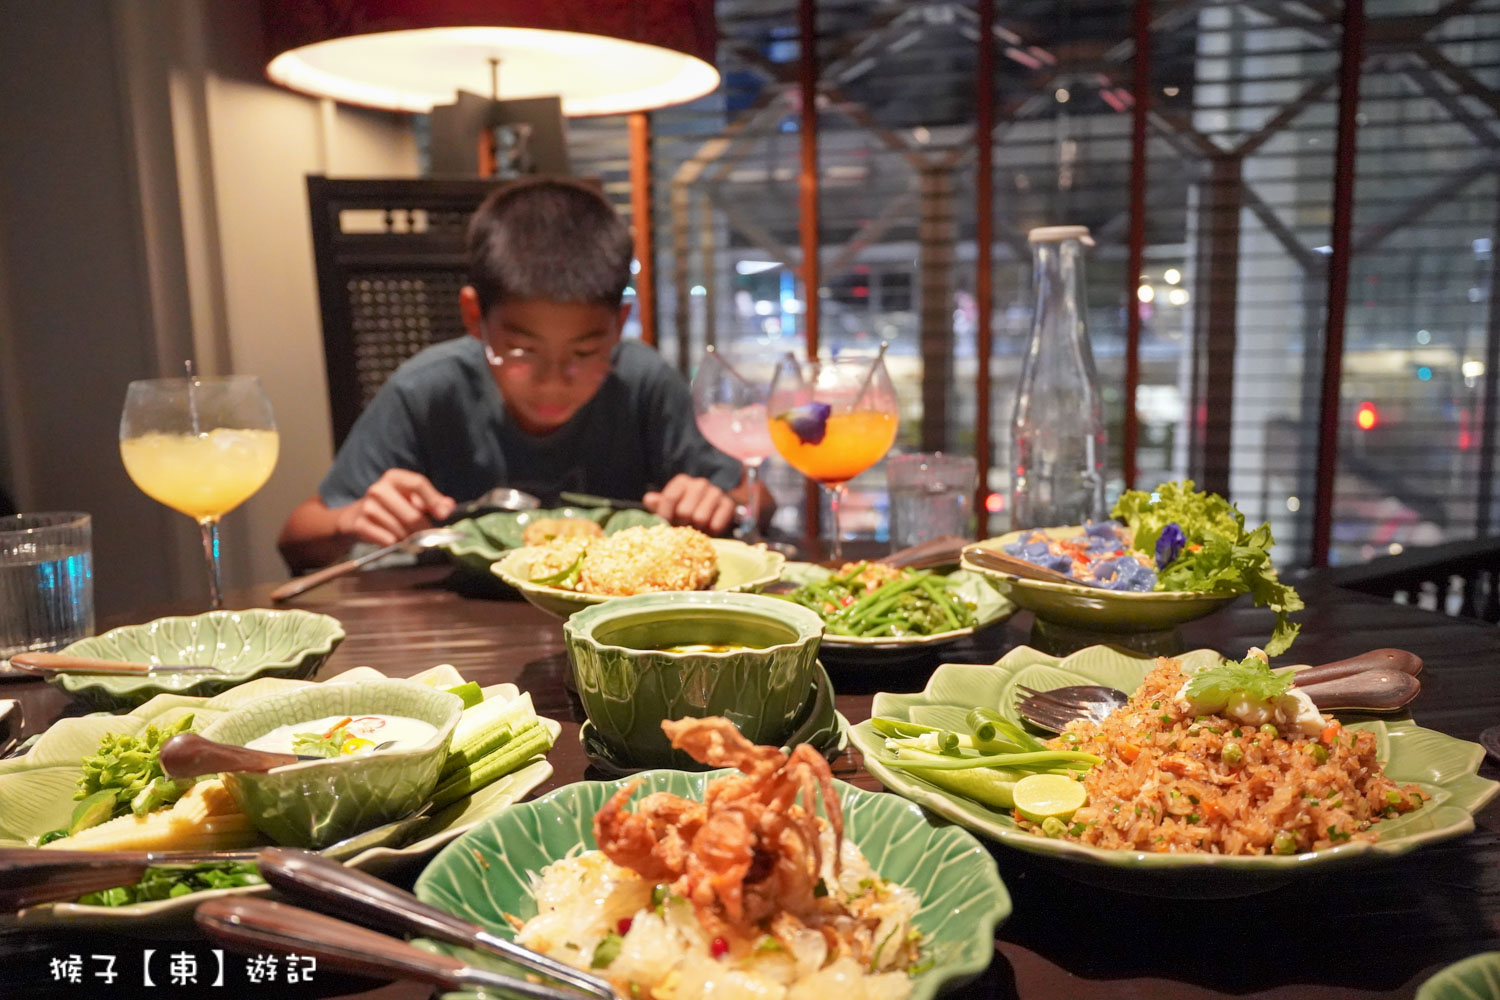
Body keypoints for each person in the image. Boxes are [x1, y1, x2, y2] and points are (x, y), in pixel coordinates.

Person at [278, 178, 746, 571]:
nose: (553, 381)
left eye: (585, 352)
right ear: (473, 315)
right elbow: (297, 535)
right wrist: (352, 520)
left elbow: (746, 494)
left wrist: (717, 503)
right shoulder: (426, 389)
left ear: (619, 325)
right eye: (522, 351)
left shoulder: (643, 382)